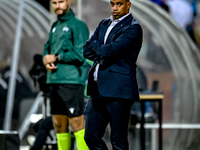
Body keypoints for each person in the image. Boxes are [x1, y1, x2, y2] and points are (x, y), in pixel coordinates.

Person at [83, 0, 143, 149]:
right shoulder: (104, 23)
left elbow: (109, 51)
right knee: (90, 136)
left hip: (118, 90)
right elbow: (86, 50)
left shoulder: (133, 28)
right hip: (98, 89)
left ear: (128, 5)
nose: (114, 8)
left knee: (118, 141)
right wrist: (102, 50)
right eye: (112, 4)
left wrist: (97, 47)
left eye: (119, 4)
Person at [42, 0, 89, 149]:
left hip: (71, 81)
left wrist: (56, 57)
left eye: (61, 1)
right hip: (54, 80)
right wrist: (45, 59)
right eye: (54, 2)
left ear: (69, 1)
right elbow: (47, 47)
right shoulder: (55, 26)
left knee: (76, 123)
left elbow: (81, 54)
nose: (57, 6)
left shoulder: (78, 25)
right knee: (58, 123)